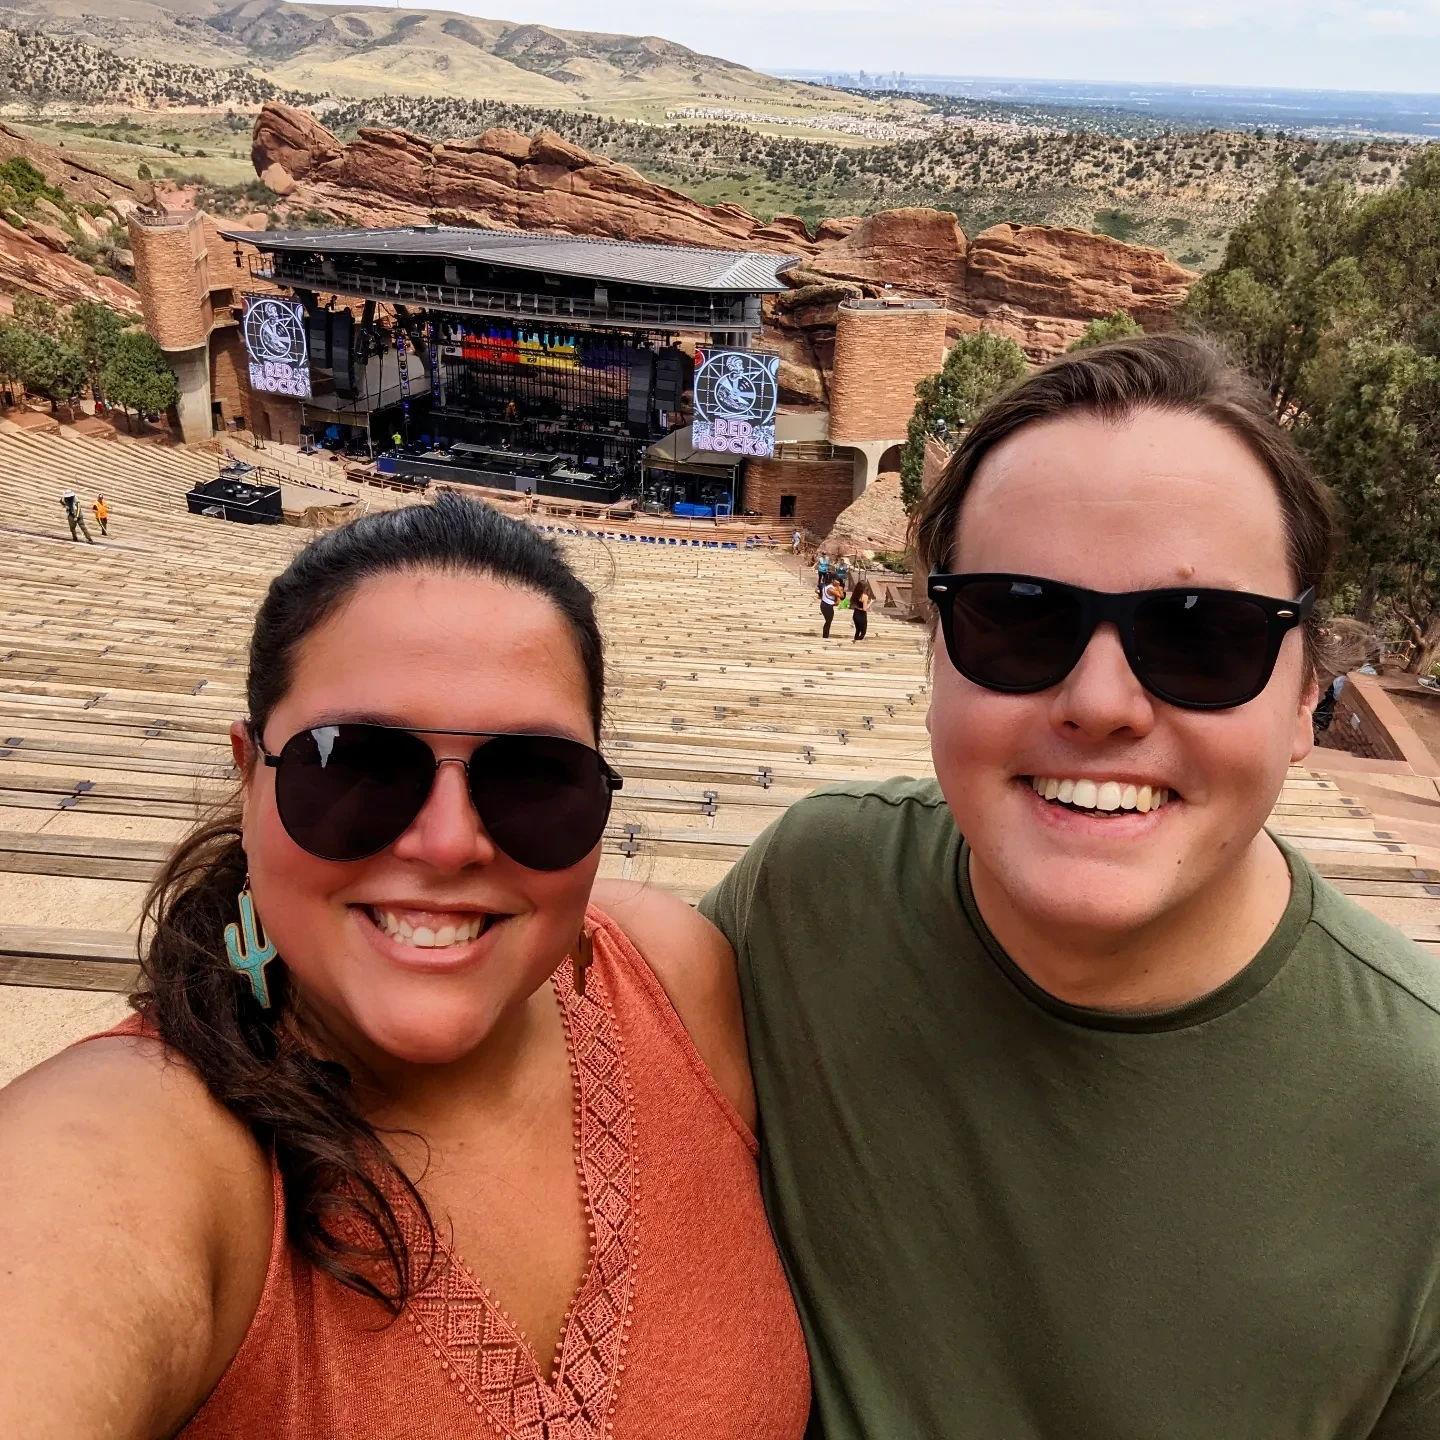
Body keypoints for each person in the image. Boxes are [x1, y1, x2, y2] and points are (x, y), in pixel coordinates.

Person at [641, 335, 1440, 1436]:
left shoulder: (1420, 1117)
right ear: (932, 659)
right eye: (1016, 618)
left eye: (1202, 638)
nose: (1100, 700)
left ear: (1309, 694)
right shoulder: (814, 895)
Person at [0, 494, 809, 1438]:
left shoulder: (672, 977)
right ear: (247, 772)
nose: (448, 843)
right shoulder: (124, 1147)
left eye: (534, 777)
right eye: (359, 767)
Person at [849, 577, 873, 642]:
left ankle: (855, 640)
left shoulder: (855, 594)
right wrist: (870, 602)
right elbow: (864, 609)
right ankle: (857, 642)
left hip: (855, 613)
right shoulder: (864, 596)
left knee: (857, 630)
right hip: (861, 615)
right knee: (863, 632)